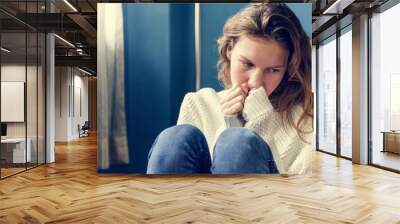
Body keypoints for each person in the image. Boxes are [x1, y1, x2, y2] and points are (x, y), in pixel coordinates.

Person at [146, 3, 313, 175]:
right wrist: (230, 124)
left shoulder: (303, 117)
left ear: (288, 68)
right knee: (174, 138)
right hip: (201, 199)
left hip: (267, 199)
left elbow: (302, 194)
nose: (255, 83)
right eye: (247, 64)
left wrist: (261, 124)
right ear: (230, 51)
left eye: (273, 70)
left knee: (237, 142)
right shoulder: (198, 103)